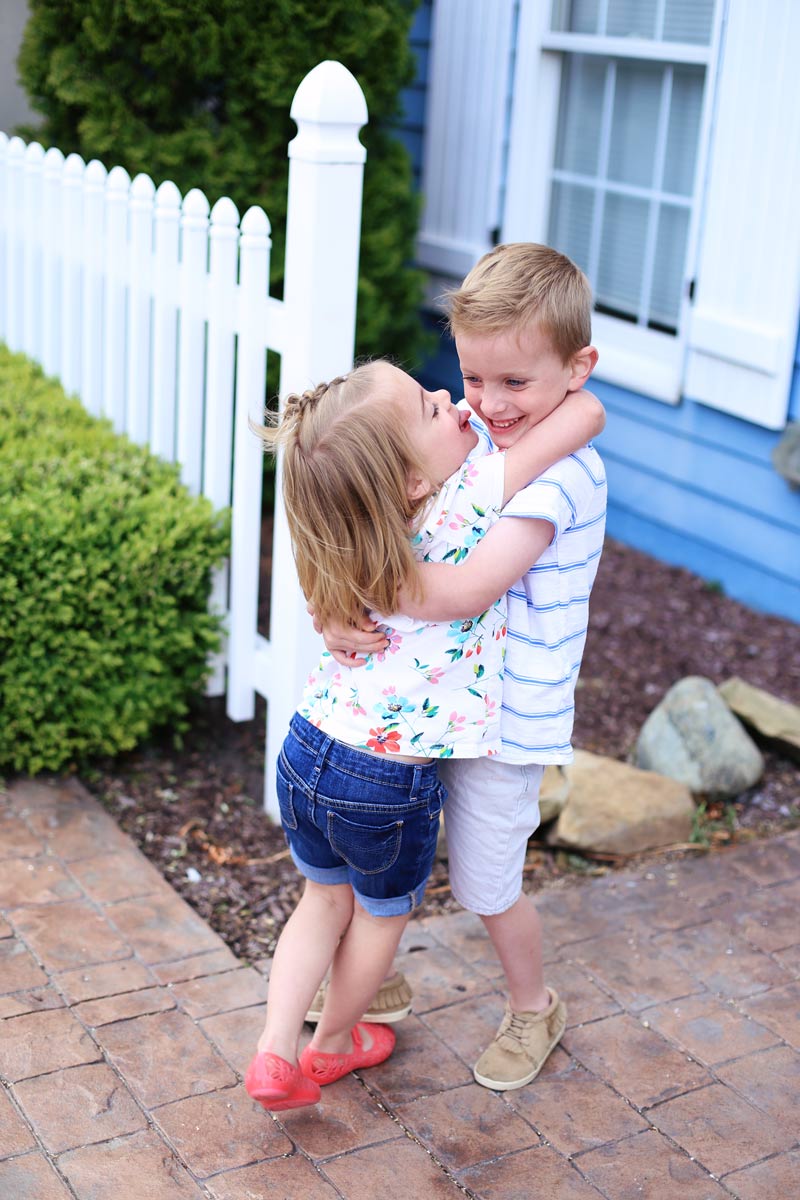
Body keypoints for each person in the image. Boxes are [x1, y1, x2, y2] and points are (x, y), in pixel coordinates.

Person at [244, 355, 603, 1112]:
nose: (452, 399)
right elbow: (587, 417)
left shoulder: (349, 532)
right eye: (432, 409)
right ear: (410, 480)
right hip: (382, 783)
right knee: (382, 914)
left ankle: (273, 1048)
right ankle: (333, 1044)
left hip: (307, 750)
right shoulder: (466, 501)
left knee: (320, 902)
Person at [315, 243, 607, 1092]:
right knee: (387, 851)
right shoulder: (484, 432)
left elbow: (462, 586)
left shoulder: (564, 477)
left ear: (577, 367)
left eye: (515, 383)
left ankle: (533, 1007)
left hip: (506, 718)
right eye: (474, 379)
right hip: (432, 697)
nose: (488, 404)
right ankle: (376, 982)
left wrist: (358, 580)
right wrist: (328, 602)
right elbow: (395, 512)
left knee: (485, 885)